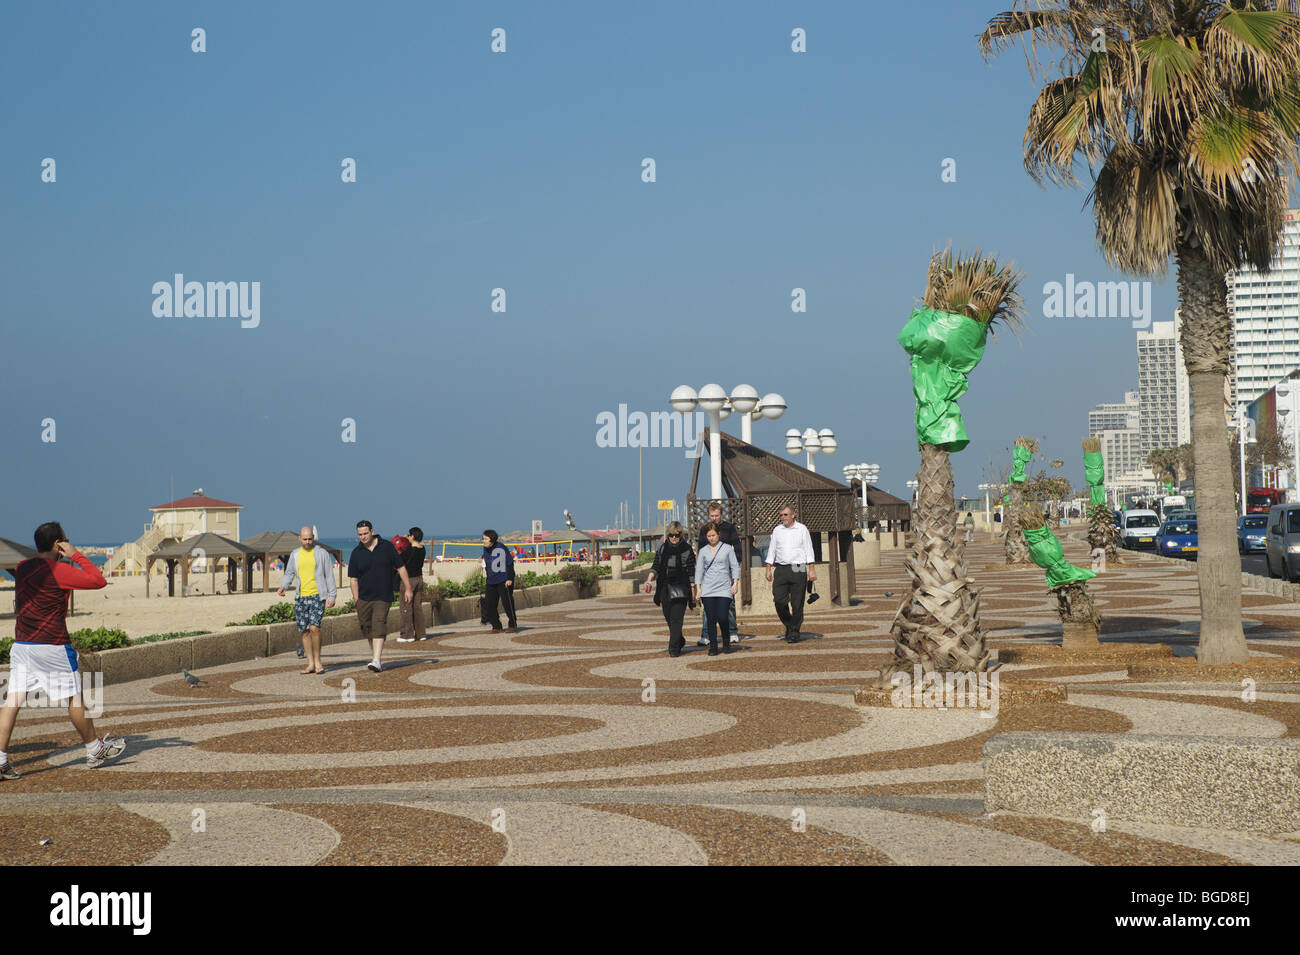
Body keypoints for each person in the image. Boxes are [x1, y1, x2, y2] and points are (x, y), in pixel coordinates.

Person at [0, 522, 125, 780]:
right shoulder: (59, 571)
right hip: (52, 646)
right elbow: (98, 580)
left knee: (12, 701)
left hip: (22, 645)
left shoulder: (23, 568)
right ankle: (94, 749)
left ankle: (0, 760)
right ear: (58, 544)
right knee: (74, 699)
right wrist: (75, 554)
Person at [348, 520, 412, 673]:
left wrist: (408, 588)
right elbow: (353, 579)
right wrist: (356, 599)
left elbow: (401, 567)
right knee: (367, 627)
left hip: (383, 596)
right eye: (360, 534)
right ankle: (375, 657)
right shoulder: (356, 553)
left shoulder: (386, 547)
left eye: (365, 533)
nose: (363, 537)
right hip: (363, 597)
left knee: (379, 623)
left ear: (372, 531)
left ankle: (376, 660)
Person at [277, 526, 337, 674]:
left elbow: (329, 575)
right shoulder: (295, 554)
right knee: (304, 631)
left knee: (315, 628)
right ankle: (310, 663)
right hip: (301, 596)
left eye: (310, 538)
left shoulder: (321, 553)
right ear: (300, 538)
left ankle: (318, 661)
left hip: (318, 595)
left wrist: (332, 595)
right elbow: (289, 572)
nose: (308, 541)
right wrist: (284, 586)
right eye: (305, 539)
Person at [765, 505, 817, 644]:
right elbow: (772, 550)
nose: (783, 517)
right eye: (781, 515)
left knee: (797, 603)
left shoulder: (802, 529)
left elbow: (808, 548)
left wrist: (811, 569)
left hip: (798, 567)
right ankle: (789, 624)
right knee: (779, 601)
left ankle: (794, 631)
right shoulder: (777, 530)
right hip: (781, 568)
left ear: (793, 515)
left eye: (785, 515)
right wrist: (768, 568)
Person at [645, 522, 695, 657]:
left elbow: (691, 571)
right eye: (671, 535)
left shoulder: (687, 549)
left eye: (676, 535)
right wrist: (649, 579)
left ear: (681, 535)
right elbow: (656, 565)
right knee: (669, 618)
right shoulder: (662, 548)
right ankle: (680, 639)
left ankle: (673, 648)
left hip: (681, 587)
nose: (674, 538)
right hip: (664, 587)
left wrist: (693, 589)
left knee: (676, 619)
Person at [695, 501, 741, 647]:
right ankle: (706, 635)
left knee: (729, 605)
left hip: (725, 571)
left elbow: (737, 547)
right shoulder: (705, 529)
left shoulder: (729, 528)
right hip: (709, 574)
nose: (714, 518)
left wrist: (735, 571)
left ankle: (732, 631)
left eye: (716, 515)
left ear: (721, 514)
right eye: (711, 515)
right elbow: (702, 550)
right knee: (707, 610)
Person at [481, 529, 518, 633]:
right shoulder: (485, 548)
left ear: (492, 540)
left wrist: (510, 578)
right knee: (489, 604)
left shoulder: (501, 548)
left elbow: (510, 563)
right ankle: (496, 626)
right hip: (491, 581)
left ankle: (512, 624)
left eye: (485, 539)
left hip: (504, 580)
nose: (483, 541)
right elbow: (488, 559)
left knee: (507, 603)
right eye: (483, 538)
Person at [397, 527, 427, 642]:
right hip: (419, 578)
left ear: (413, 536)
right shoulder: (422, 549)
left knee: (406, 607)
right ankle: (421, 633)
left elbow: (399, 561)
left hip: (409, 580)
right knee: (417, 607)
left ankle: (407, 634)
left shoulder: (410, 550)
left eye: (409, 535)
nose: (407, 536)